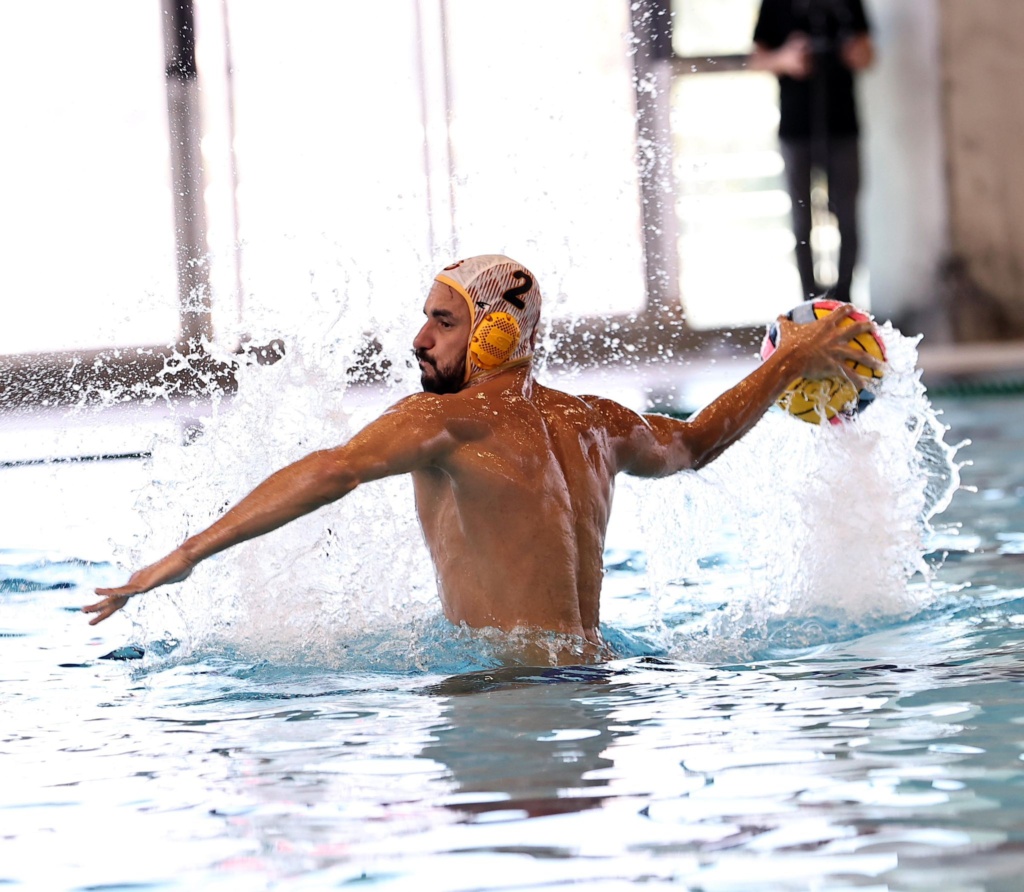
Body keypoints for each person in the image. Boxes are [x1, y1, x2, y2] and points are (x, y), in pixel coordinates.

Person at [84, 255, 880, 661]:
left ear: (496, 331)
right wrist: (788, 361)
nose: (418, 340)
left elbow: (332, 470)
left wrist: (185, 555)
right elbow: (695, 443)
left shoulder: (450, 422)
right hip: (598, 676)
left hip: (504, 694)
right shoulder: (596, 422)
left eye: (442, 322)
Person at [751, 0, 875, 304]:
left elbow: (868, 53)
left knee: (847, 217)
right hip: (796, 129)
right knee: (801, 219)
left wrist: (856, 53)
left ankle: (844, 301)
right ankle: (810, 303)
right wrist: (786, 58)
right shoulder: (775, 4)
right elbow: (757, 59)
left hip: (843, 126)